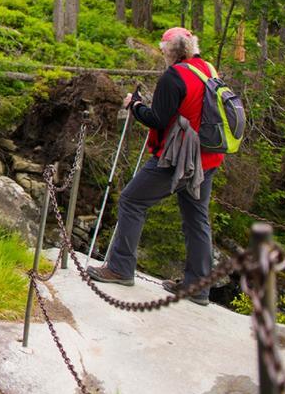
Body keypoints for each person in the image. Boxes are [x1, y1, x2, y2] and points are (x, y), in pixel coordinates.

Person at [86, 27, 224, 306]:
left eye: (163, 50)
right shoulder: (209, 69)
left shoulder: (175, 76)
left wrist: (135, 105)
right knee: (197, 219)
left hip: (176, 158)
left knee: (131, 201)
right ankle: (198, 287)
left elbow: (158, 119)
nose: (162, 55)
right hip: (208, 158)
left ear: (172, 50)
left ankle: (120, 268)